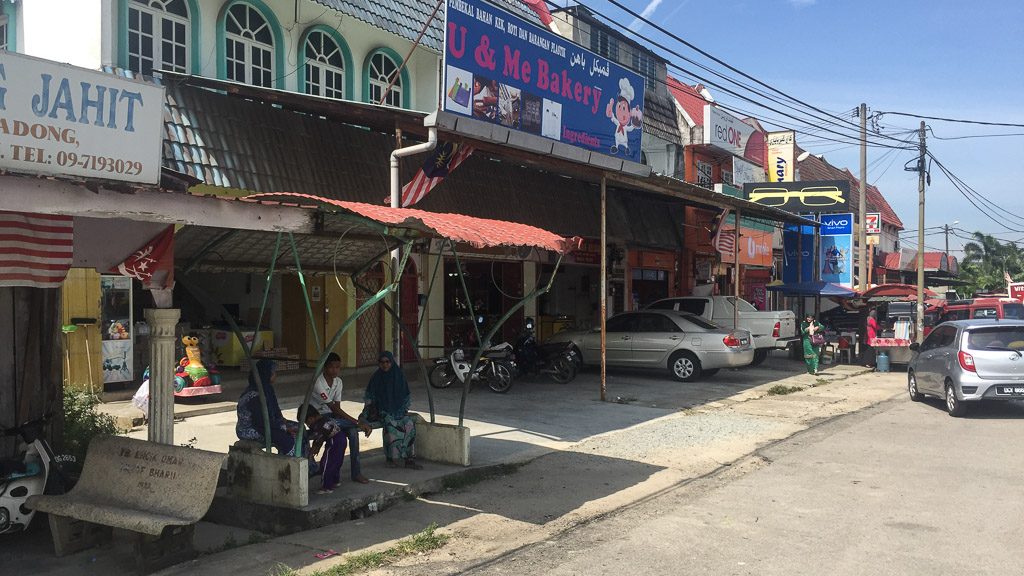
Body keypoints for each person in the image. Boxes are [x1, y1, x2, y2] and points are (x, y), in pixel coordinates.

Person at [312, 352, 371, 484]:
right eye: (332, 367)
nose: (335, 370)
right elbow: (333, 407)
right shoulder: (318, 382)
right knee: (341, 426)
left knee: (353, 433)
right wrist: (357, 422)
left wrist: (353, 424)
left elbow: (337, 408)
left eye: (338, 367)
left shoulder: (338, 382)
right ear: (325, 367)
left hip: (333, 417)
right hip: (318, 418)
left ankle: (356, 473)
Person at [363, 351, 422, 470]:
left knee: (409, 424)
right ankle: (391, 458)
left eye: (387, 362)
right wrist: (366, 413)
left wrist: (402, 410)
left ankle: (409, 459)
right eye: (382, 362)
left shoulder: (398, 375)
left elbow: (405, 394)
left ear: (391, 362)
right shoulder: (376, 378)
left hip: (399, 410)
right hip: (382, 411)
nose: (385, 365)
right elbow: (370, 397)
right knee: (390, 425)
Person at [236, 359, 298, 455]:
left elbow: (276, 411)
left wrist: (283, 422)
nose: (275, 375)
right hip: (251, 428)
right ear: (266, 374)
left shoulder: (267, 389)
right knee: (286, 439)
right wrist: (283, 427)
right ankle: (288, 466)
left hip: (267, 423)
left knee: (299, 429)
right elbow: (260, 422)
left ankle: (308, 463)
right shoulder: (253, 395)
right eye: (273, 373)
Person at [301, 403, 346, 494]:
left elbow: (318, 439)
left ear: (311, 419)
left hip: (334, 441)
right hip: (341, 439)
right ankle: (335, 481)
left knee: (326, 464)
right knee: (336, 462)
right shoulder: (325, 419)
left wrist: (311, 453)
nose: (308, 425)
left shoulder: (319, 425)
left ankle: (327, 486)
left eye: (307, 423)